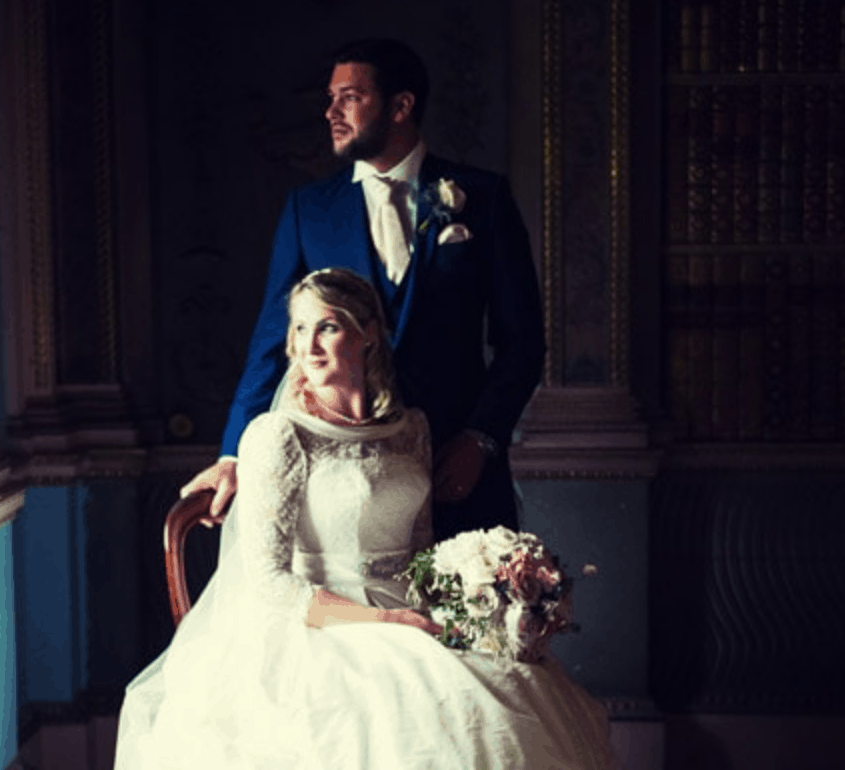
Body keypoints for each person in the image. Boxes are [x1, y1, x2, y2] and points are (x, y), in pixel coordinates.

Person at [114, 269, 618, 769]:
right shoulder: (278, 437)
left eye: (327, 327)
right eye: (299, 328)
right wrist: (385, 621)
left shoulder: (411, 429)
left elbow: (422, 549)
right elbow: (269, 581)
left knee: (505, 708)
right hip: (319, 626)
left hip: (409, 605)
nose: (308, 346)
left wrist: (484, 600)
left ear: (369, 333)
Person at [182, 38, 546, 542]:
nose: (331, 111)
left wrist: (480, 439)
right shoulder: (309, 210)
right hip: (346, 478)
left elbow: (523, 341)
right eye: (331, 98)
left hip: (455, 467)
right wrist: (232, 454)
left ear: (401, 106)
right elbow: (271, 340)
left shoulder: (481, 198)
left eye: (349, 97)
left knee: (470, 615)